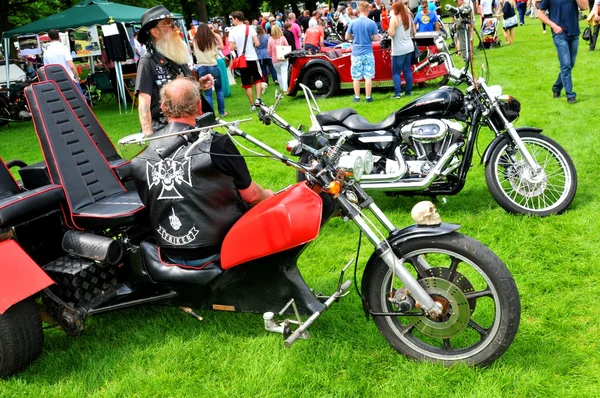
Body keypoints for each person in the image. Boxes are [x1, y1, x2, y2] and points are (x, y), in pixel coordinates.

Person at [131, 77, 273, 266]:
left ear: (163, 108)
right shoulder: (217, 144)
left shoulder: (141, 152)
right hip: (222, 247)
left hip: (168, 252)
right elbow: (252, 196)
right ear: (199, 106)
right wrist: (270, 196)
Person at [135, 5, 214, 136]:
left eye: (174, 23)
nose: (175, 28)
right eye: (169, 24)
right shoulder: (147, 62)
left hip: (190, 127)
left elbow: (181, 93)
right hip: (164, 132)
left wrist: (199, 85)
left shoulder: (176, 56)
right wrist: (149, 136)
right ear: (155, 32)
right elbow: (144, 104)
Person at [538, 0, 589, 103]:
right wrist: (553, 26)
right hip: (559, 34)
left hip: (574, 33)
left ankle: (556, 87)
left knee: (571, 64)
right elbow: (540, 14)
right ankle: (570, 95)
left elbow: (585, 7)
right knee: (566, 64)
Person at [228, 10, 264, 112]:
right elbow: (257, 43)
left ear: (236, 18)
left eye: (232, 19)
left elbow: (231, 47)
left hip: (242, 60)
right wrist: (250, 44)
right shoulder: (250, 28)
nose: (232, 21)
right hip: (252, 57)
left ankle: (252, 105)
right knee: (257, 79)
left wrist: (238, 46)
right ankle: (258, 99)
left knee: (247, 83)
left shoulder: (232, 31)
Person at [345, 1, 380, 103]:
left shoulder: (353, 22)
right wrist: (369, 38)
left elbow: (347, 37)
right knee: (368, 76)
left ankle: (357, 97)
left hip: (356, 53)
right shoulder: (371, 23)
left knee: (356, 77)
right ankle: (368, 97)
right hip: (368, 52)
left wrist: (354, 37)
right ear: (367, 10)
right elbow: (376, 38)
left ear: (359, 10)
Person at [193, 24, 228, 117]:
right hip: (212, 65)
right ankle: (222, 111)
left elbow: (195, 53)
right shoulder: (211, 40)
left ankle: (211, 114)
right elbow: (216, 52)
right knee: (219, 89)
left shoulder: (195, 40)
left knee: (208, 93)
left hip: (202, 66)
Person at [388, 1, 414, 98]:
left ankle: (397, 93)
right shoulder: (408, 17)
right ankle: (408, 91)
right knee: (407, 70)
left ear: (396, 9)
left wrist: (388, 30)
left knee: (396, 72)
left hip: (398, 49)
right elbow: (413, 30)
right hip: (408, 46)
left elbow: (391, 33)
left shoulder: (395, 18)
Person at [268, 25, 290, 93]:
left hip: (275, 60)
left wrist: (272, 55)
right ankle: (285, 89)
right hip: (283, 58)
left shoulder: (270, 39)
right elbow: (287, 46)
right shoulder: (283, 38)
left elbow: (269, 51)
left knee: (279, 73)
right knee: (284, 73)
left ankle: (281, 87)